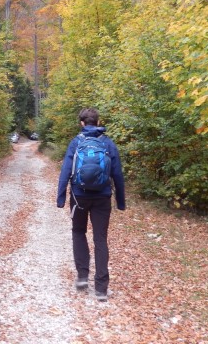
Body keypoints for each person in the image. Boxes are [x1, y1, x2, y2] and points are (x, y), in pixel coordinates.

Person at [57, 107, 125, 302]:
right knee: (100, 238)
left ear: (81, 123)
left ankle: (82, 277)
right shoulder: (108, 143)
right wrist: (120, 201)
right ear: (98, 122)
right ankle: (101, 289)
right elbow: (117, 174)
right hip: (102, 197)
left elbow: (66, 171)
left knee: (78, 232)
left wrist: (61, 198)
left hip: (79, 196)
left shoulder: (76, 142)